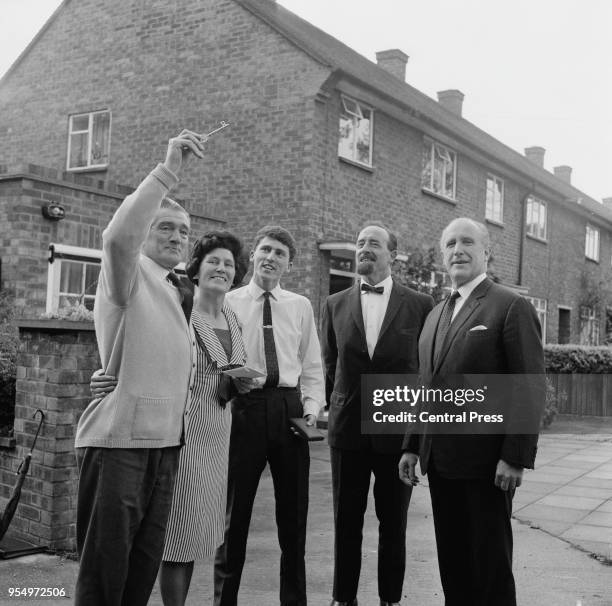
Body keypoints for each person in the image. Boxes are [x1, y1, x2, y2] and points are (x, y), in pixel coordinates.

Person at [74, 129, 206, 606]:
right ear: (146, 233)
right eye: (164, 226)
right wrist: (168, 169)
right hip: (120, 446)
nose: (175, 236)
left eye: (183, 231)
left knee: (139, 577)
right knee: (103, 581)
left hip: (165, 446)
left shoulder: (175, 288)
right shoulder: (126, 274)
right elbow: (117, 236)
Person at [91, 231, 249, 606]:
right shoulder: (181, 304)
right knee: (174, 534)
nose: (221, 268)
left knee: (196, 533)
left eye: (229, 264)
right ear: (197, 266)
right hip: (183, 429)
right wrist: (106, 375)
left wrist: (242, 383)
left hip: (218, 433)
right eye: (214, 261)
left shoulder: (233, 315)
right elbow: (140, 343)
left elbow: (231, 369)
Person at [398, 217, 545, 606]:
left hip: (487, 467)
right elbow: (425, 384)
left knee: (490, 568)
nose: (457, 250)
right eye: (449, 244)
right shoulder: (435, 314)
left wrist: (514, 456)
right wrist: (412, 445)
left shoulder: (510, 307)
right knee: (454, 565)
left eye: (467, 242)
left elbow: (529, 386)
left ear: (486, 253)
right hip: (441, 463)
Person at [321, 222, 434, 606]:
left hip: (396, 433)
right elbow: (329, 366)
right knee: (345, 522)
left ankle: (390, 599)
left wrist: (415, 438)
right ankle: (343, 598)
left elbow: (427, 372)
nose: (365, 248)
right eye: (360, 243)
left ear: (393, 255)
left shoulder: (420, 305)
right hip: (347, 431)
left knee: (394, 524)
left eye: (374, 243)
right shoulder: (334, 304)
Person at [213, 225, 326, 606]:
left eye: (280, 253)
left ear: (289, 264)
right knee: (234, 515)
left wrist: (311, 411)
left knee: (294, 518)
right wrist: (230, 383)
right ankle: (223, 600)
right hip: (245, 409)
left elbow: (312, 366)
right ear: (254, 255)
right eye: (266, 249)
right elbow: (213, 363)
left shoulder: (300, 306)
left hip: (290, 409)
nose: (271, 257)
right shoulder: (228, 302)